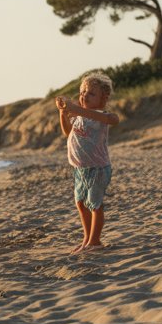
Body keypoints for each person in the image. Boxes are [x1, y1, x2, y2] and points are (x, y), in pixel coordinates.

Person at [55, 72, 120, 253]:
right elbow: (68, 133)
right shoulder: (79, 117)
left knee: (95, 205)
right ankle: (87, 237)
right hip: (80, 169)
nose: (84, 95)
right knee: (81, 203)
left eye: (91, 93)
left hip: (98, 168)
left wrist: (77, 109)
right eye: (82, 92)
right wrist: (63, 113)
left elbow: (114, 119)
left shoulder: (100, 115)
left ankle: (95, 241)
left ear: (103, 99)